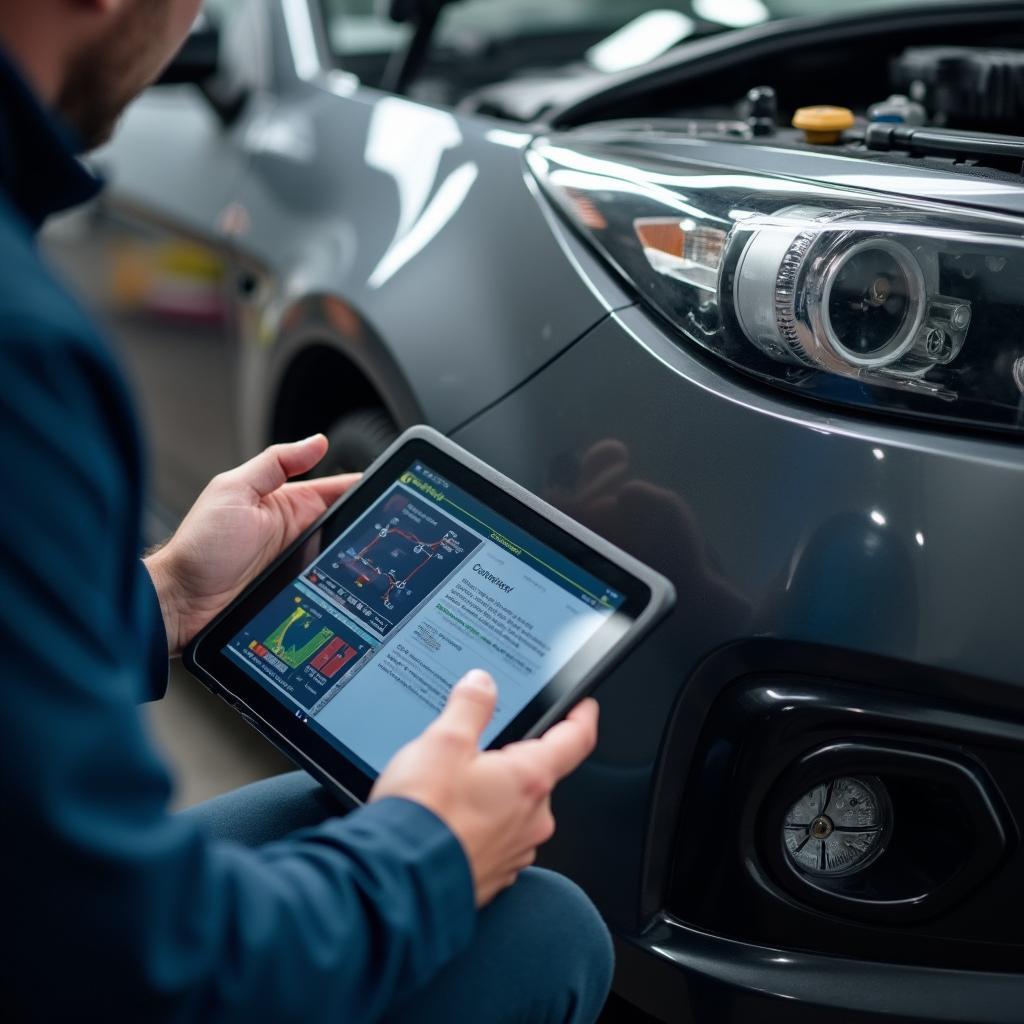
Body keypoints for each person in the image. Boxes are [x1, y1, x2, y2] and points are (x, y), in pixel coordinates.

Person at [0, 1, 614, 1020]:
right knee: (538, 928)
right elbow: (136, 967)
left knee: (317, 808)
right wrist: (432, 855)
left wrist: (161, 596)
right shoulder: (24, 349)